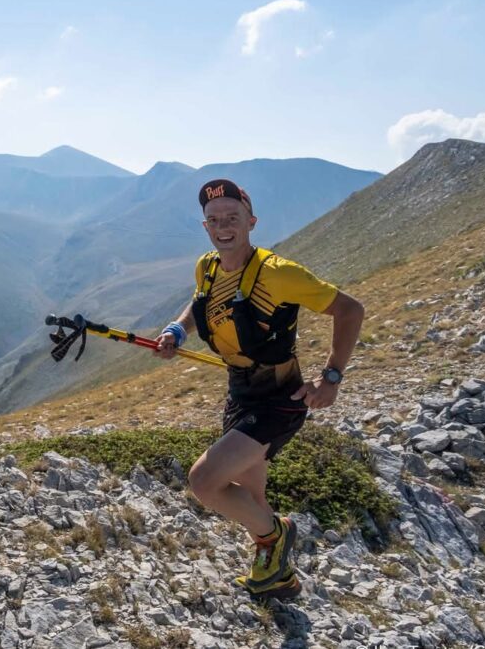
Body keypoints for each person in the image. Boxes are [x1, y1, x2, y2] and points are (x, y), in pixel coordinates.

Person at [154, 178, 364, 598]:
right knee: (251, 495)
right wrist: (177, 329)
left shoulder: (278, 273)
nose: (223, 227)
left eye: (232, 217)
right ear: (205, 226)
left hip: (279, 398)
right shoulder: (207, 267)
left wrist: (331, 377)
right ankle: (277, 577)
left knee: (204, 481)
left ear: (251, 222)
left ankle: (277, 535)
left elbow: (350, 310)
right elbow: (200, 303)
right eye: (214, 220)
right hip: (240, 391)